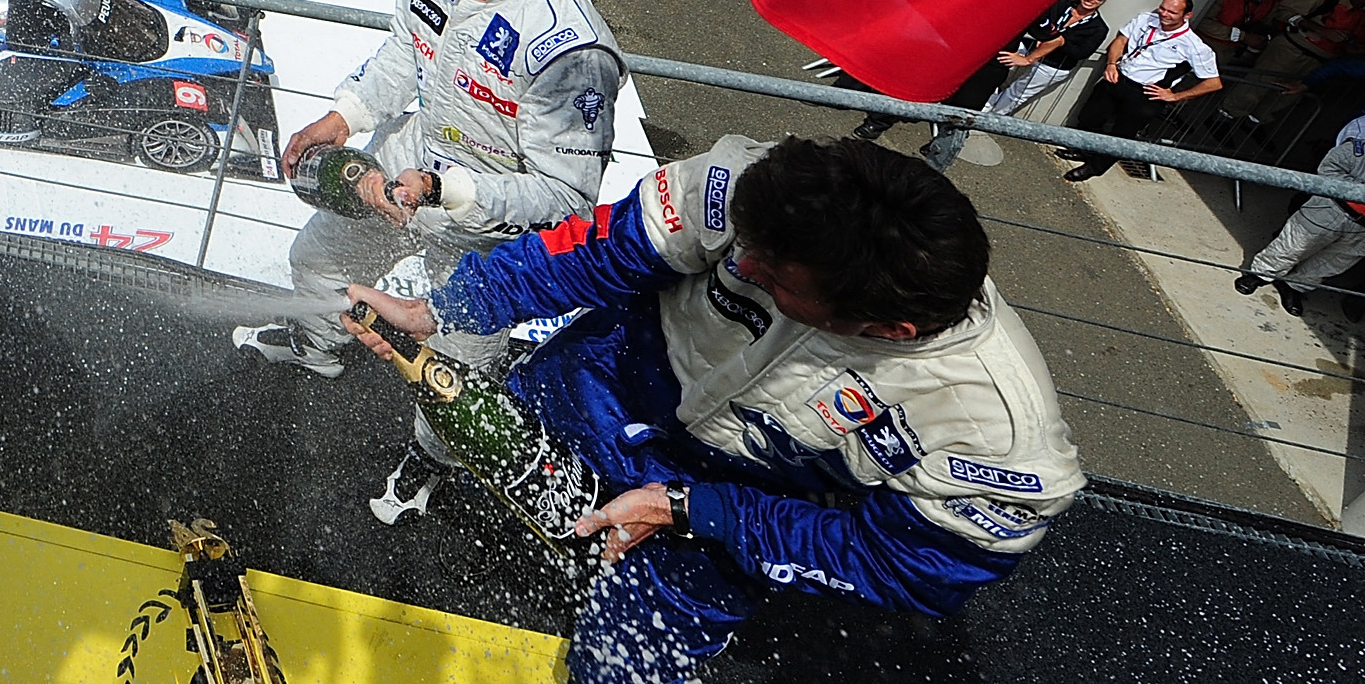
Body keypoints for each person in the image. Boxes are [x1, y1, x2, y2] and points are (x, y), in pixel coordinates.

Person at [350, 135, 1084, 684]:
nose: (741, 258)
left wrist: (694, 509)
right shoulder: (752, 187)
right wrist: (440, 308)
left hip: (740, 498)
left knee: (624, 661)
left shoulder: (997, 435)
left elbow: (903, 561)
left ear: (885, 329)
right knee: (520, 501)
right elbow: (598, 252)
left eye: (765, 272)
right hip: (608, 372)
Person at [236, 0, 623, 526]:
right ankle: (320, 348)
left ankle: (431, 458)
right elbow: (402, 49)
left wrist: (447, 189)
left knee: (453, 377)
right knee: (316, 260)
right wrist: (345, 114)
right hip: (408, 163)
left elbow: (566, 200)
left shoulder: (568, 49)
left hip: (488, 228)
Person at [907, 0, 1110, 170]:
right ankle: (963, 117)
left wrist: (1055, 42)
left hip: (1052, 65)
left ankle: (978, 125)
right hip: (1027, 49)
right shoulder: (1060, 5)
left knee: (1014, 95)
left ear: (1103, 1)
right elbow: (1037, 24)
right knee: (991, 76)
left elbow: (1079, 51)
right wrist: (1045, 41)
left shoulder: (1098, 28)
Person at [1064, 0, 1220, 180]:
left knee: (1122, 135)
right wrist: (1111, 64)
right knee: (1089, 116)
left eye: (1172, 12)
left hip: (1146, 93)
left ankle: (1094, 168)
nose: (1164, 14)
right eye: (1162, 8)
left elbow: (1213, 83)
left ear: (1186, 16)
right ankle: (1085, 151)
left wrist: (1175, 96)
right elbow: (1120, 40)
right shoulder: (1145, 19)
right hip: (1119, 77)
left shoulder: (1194, 45)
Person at [1234, 109, 1365, 317]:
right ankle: (1260, 274)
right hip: (1333, 207)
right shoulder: (1360, 140)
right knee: (1294, 244)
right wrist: (1357, 192)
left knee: (1331, 263)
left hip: (1361, 230)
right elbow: (1329, 168)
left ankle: (1295, 287)